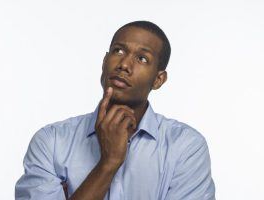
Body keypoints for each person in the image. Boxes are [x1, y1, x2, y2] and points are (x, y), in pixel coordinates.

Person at [15, 21, 215, 200]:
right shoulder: (51, 142)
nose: (124, 65)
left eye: (142, 59)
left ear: (158, 79)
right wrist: (108, 164)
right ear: (104, 61)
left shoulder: (186, 147)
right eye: (118, 51)